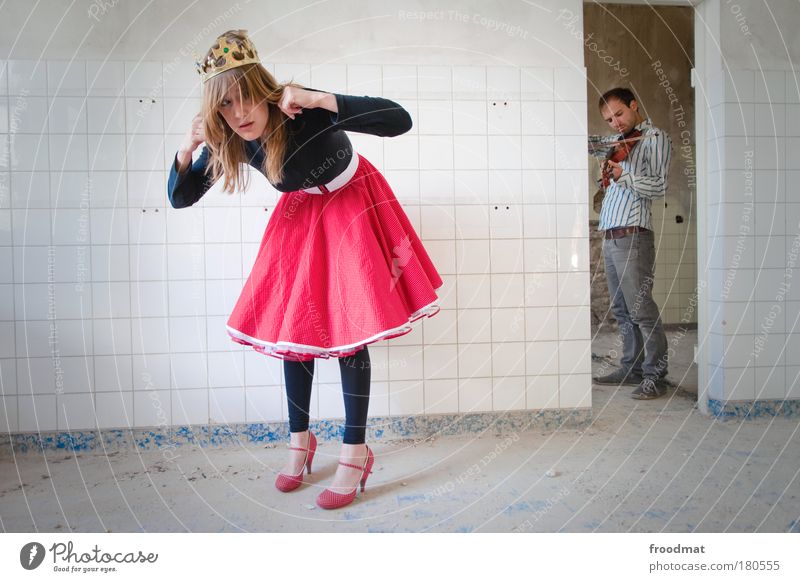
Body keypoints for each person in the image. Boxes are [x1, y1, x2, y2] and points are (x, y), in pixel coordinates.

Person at [167, 30, 443, 508]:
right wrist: (187, 150)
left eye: (245, 97)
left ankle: (355, 453)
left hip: (352, 205)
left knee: (350, 336)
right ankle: (301, 444)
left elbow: (400, 120)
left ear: (263, 87)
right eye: (224, 108)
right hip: (301, 217)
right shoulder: (231, 135)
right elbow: (180, 196)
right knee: (294, 334)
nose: (239, 114)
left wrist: (321, 97)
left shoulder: (300, 109)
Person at [592, 88, 671, 400]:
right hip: (611, 235)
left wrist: (624, 175)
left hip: (633, 234)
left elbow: (659, 186)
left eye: (619, 114)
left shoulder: (654, 138)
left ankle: (656, 375)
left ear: (634, 105)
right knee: (623, 310)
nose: (615, 122)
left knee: (641, 309)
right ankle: (632, 367)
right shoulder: (619, 144)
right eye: (609, 119)